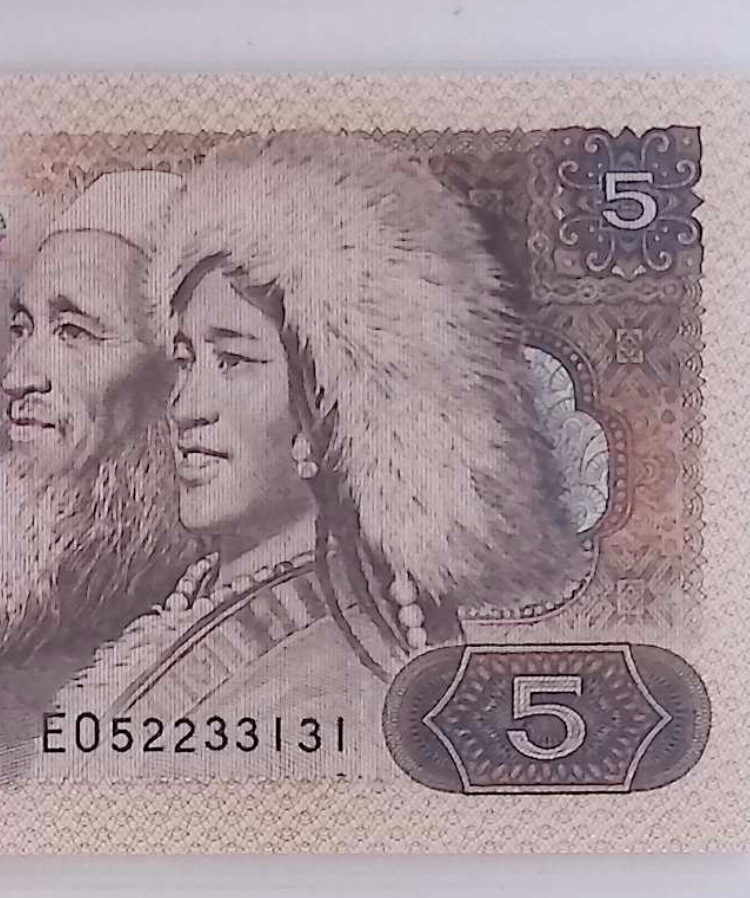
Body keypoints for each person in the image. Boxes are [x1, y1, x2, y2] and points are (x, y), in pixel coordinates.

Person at [58, 135, 583, 729]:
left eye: (234, 360)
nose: (186, 406)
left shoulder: (337, 675)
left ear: (327, 405)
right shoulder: (202, 599)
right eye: (185, 360)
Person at [0, 170, 194, 768]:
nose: (17, 376)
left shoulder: (192, 622)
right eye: (23, 328)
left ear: (174, 377)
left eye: (73, 331)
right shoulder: (7, 617)